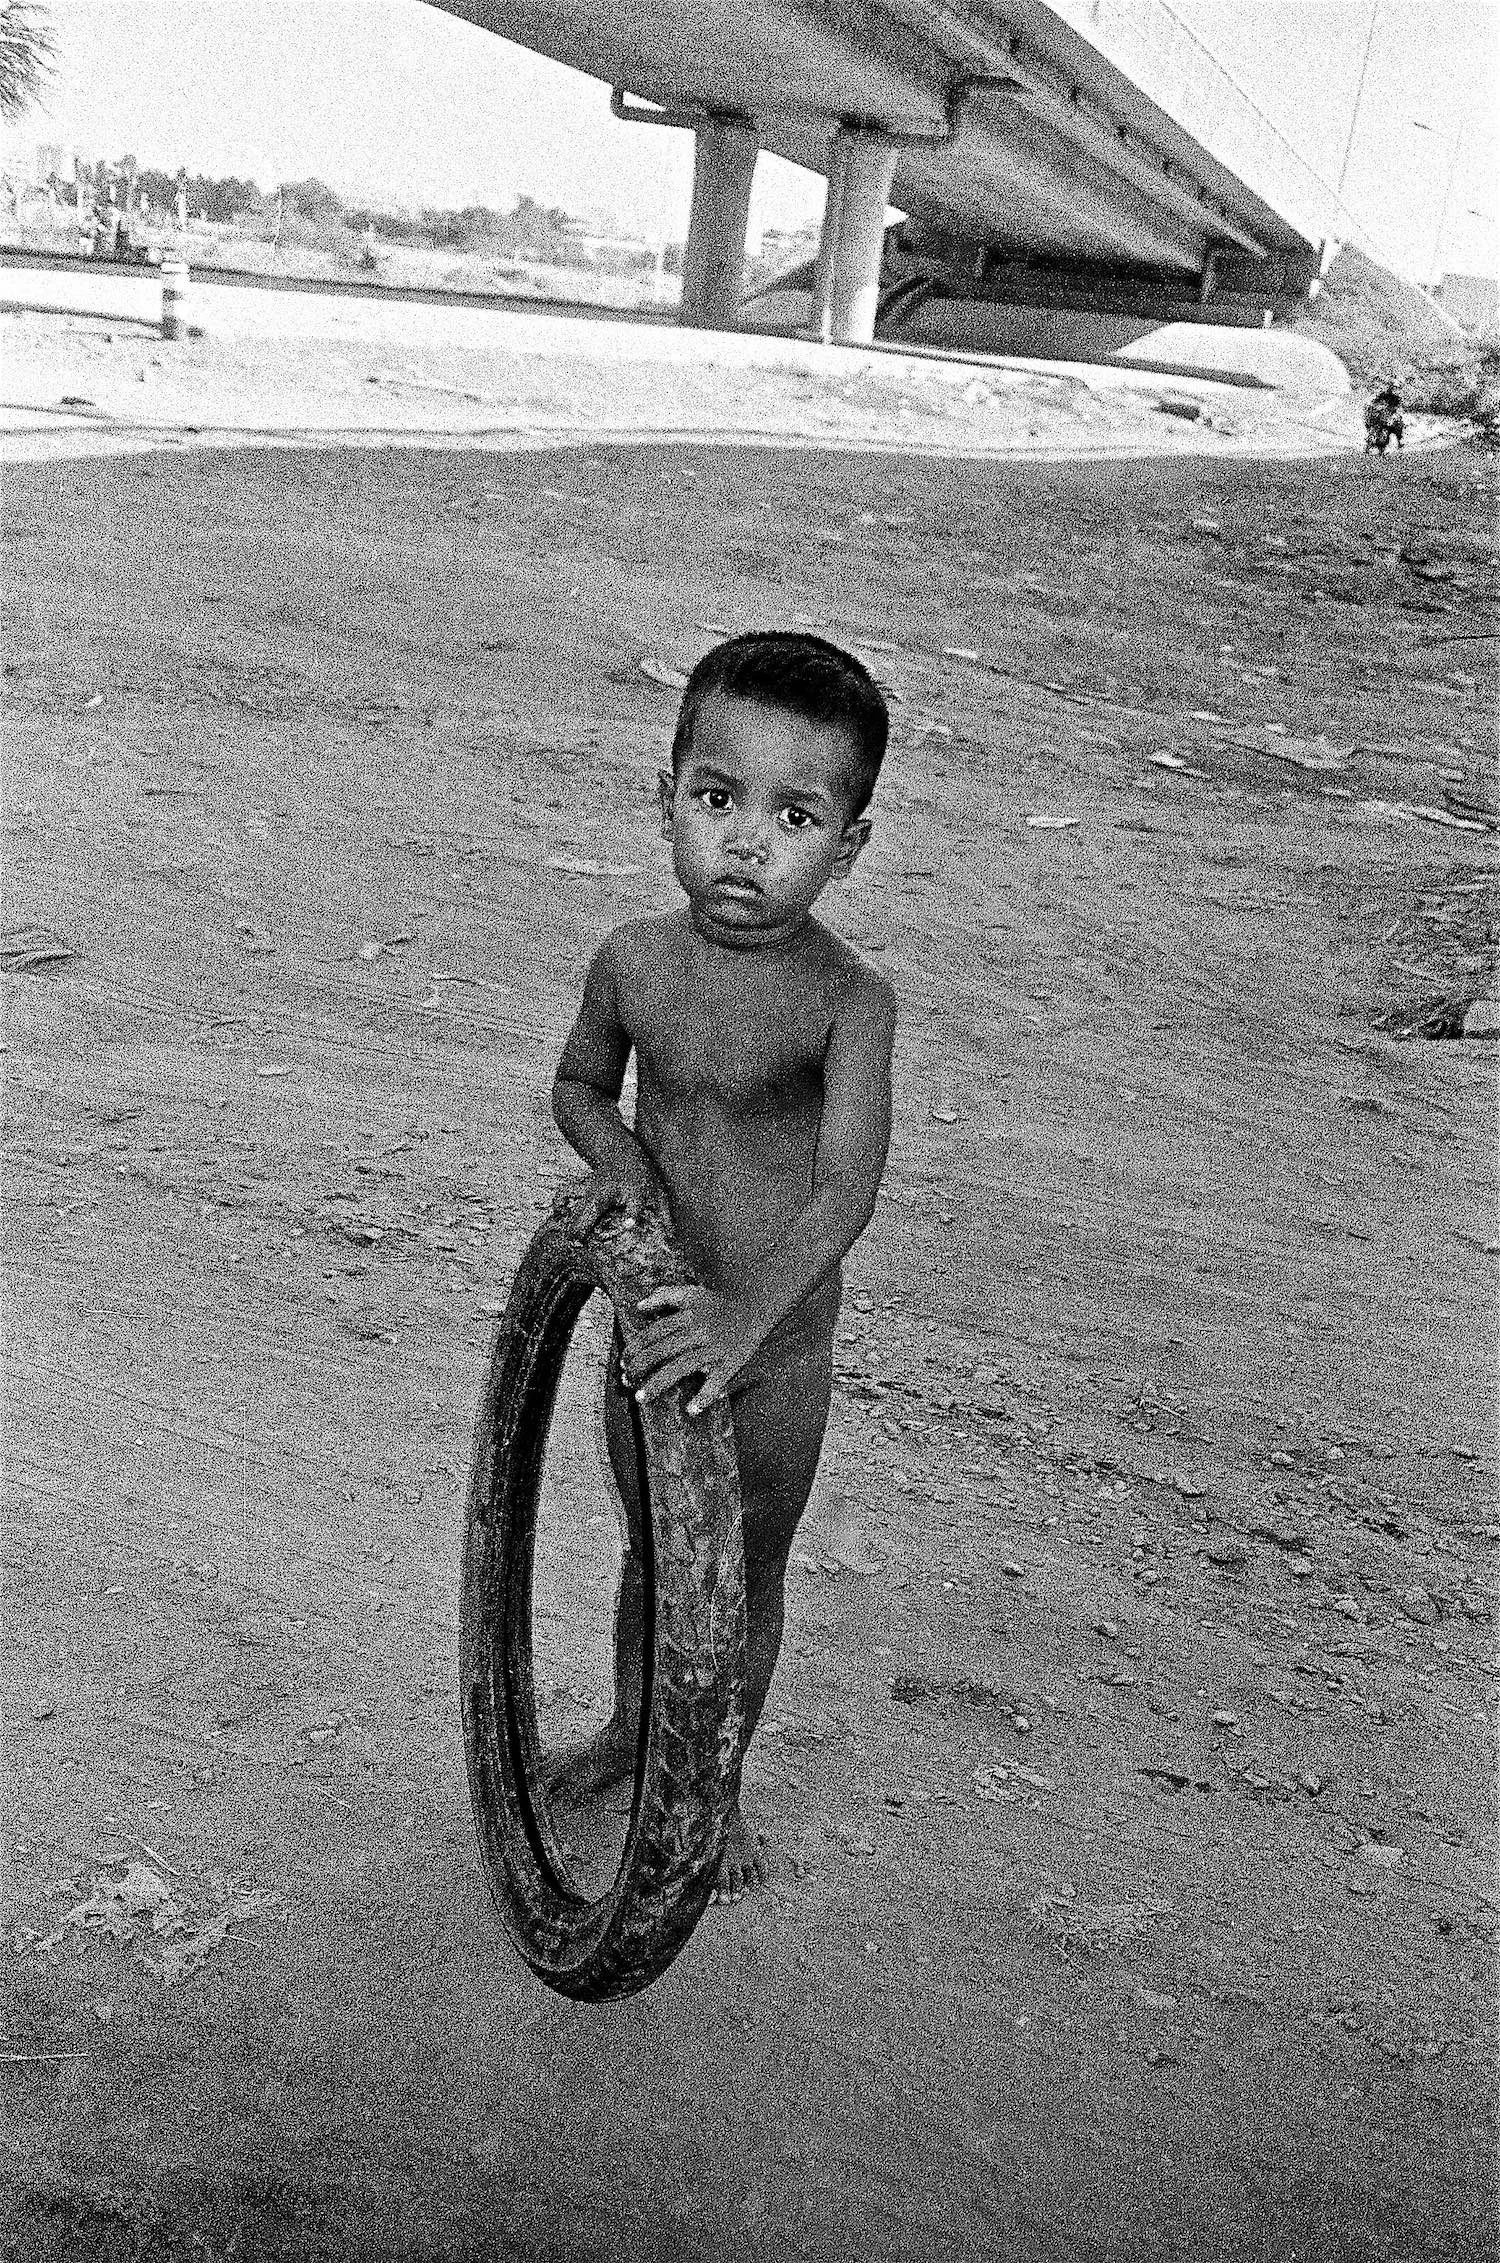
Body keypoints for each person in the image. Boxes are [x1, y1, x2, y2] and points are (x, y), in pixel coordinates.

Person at [550, 631, 896, 1901]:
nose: (747, 842)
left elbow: (845, 1189)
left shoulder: (848, 1001)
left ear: (847, 844)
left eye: (794, 816)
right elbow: (580, 1085)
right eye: (716, 798)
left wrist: (747, 1317)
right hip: (654, 1329)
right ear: (667, 799)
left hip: (773, 1352)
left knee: (743, 1573)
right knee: (655, 1551)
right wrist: (621, 1162)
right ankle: (629, 1733)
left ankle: (714, 1782)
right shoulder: (633, 962)